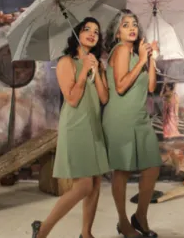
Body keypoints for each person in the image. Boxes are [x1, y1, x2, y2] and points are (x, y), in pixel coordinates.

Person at [31, 17, 110, 238]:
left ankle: (86, 233)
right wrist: (84, 70)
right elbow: (73, 99)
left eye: (96, 30)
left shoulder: (97, 63)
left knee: (95, 184)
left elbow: (104, 98)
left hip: (93, 126)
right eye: (87, 29)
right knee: (84, 186)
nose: (92, 34)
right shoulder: (66, 62)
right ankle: (42, 230)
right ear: (77, 33)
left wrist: (98, 72)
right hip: (76, 126)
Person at [102, 9, 162, 238]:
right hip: (121, 118)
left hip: (139, 117)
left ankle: (141, 215)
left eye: (134, 23)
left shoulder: (136, 52)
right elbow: (120, 86)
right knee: (123, 171)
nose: (132, 28)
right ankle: (123, 222)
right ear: (117, 33)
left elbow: (150, 87)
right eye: (125, 25)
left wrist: (152, 58)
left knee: (152, 166)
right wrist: (142, 61)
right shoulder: (121, 50)